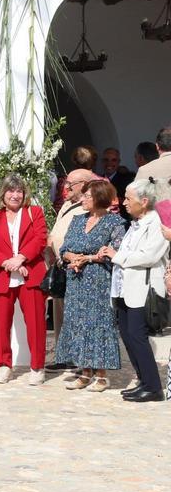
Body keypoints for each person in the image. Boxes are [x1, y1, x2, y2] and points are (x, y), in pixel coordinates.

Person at [100, 176, 169, 402]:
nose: (124, 203)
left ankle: (153, 386)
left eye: (129, 199)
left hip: (142, 288)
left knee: (138, 336)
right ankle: (143, 380)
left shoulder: (156, 223)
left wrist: (116, 255)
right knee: (128, 335)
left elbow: (149, 255)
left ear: (145, 201)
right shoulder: (135, 223)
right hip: (124, 288)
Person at [53, 179, 126, 392]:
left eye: (87, 196)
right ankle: (84, 372)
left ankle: (101, 375)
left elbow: (114, 252)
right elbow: (64, 247)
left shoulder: (115, 223)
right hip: (76, 280)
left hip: (99, 281)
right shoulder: (77, 220)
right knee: (78, 323)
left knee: (99, 324)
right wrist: (71, 257)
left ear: (100, 198)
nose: (82, 199)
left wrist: (88, 259)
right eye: (83, 195)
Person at [0, 174, 49, 385]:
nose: (15, 195)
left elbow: (41, 238)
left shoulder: (34, 213)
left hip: (31, 275)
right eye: (11, 191)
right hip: (2, 277)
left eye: (19, 191)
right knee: (1, 324)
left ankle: (37, 367)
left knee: (36, 323)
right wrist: (8, 263)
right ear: (3, 194)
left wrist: (21, 258)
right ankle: (3, 365)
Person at [45, 169, 98, 365]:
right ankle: (64, 355)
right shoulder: (67, 204)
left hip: (78, 267)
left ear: (84, 184)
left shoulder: (90, 205)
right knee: (61, 314)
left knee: (77, 314)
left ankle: (79, 359)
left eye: (71, 184)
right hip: (60, 265)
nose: (66, 187)